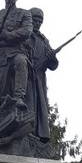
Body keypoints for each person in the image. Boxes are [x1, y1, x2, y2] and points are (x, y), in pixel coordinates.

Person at [26, 8, 59, 141]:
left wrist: (52, 57)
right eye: (35, 20)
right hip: (26, 76)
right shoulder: (24, 35)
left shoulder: (44, 40)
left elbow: (53, 65)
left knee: (40, 106)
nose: (38, 23)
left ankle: (39, 135)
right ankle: (26, 131)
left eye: (40, 21)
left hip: (39, 78)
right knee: (28, 103)